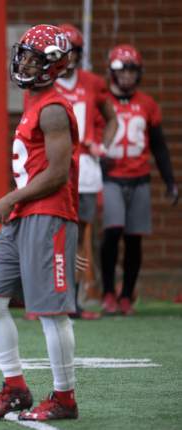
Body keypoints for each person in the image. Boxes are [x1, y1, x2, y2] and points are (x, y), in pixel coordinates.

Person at [0, 25, 79, 421]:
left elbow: (58, 172)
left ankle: (64, 397)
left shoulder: (53, 106)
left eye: (35, 58)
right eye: (24, 54)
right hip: (24, 215)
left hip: (48, 212)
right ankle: (15, 386)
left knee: (52, 311)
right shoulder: (33, 99)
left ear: (53, 67)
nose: (24, 62)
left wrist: (13, 196)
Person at [100, 44, 178, 316]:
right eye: (123, 70)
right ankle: (107, 292)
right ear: (112, 72)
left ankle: (126, 296)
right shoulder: (102, 100)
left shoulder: (147, 104)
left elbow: (159, 146)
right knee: (112, 232)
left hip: (140, 177)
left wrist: (170, 181)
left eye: (132, 71)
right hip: (110, 176)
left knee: (134, 239)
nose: (127, 77)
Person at [55, 23, 118, 320]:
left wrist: (102, 145)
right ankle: (51, 299)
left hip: (86, 169)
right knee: (52, 233)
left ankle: (75, 301)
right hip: (55, 168)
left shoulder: (92, 83)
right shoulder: (47, 83)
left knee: (78, 237)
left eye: (72, 52)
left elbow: (112, 119)